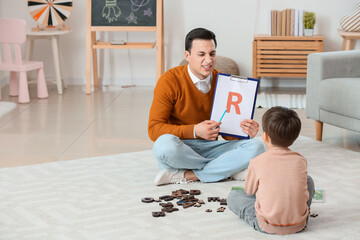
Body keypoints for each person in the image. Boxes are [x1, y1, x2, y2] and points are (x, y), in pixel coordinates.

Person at [148, 28, 265, 186]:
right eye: (201, 54)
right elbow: (154, 129)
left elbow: (229, 135)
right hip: (181, 147)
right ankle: (228, 169)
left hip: (211, 147)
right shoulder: (169, 81)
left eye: (212, 54)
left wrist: (243, 131)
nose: (209, 60)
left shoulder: (223, 81)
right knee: (163, 147)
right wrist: (195, 131)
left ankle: (190, 175)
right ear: (187, 56)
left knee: (257, 146)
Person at [227, 106, 315, 235]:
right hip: (300, 224)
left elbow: (249, 191)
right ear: (294, 137)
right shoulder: (300, 160)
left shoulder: (257, 161)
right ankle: (295, 210)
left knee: (233, 197)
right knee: (309, 180)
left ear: (265, 136)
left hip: (267, 224)